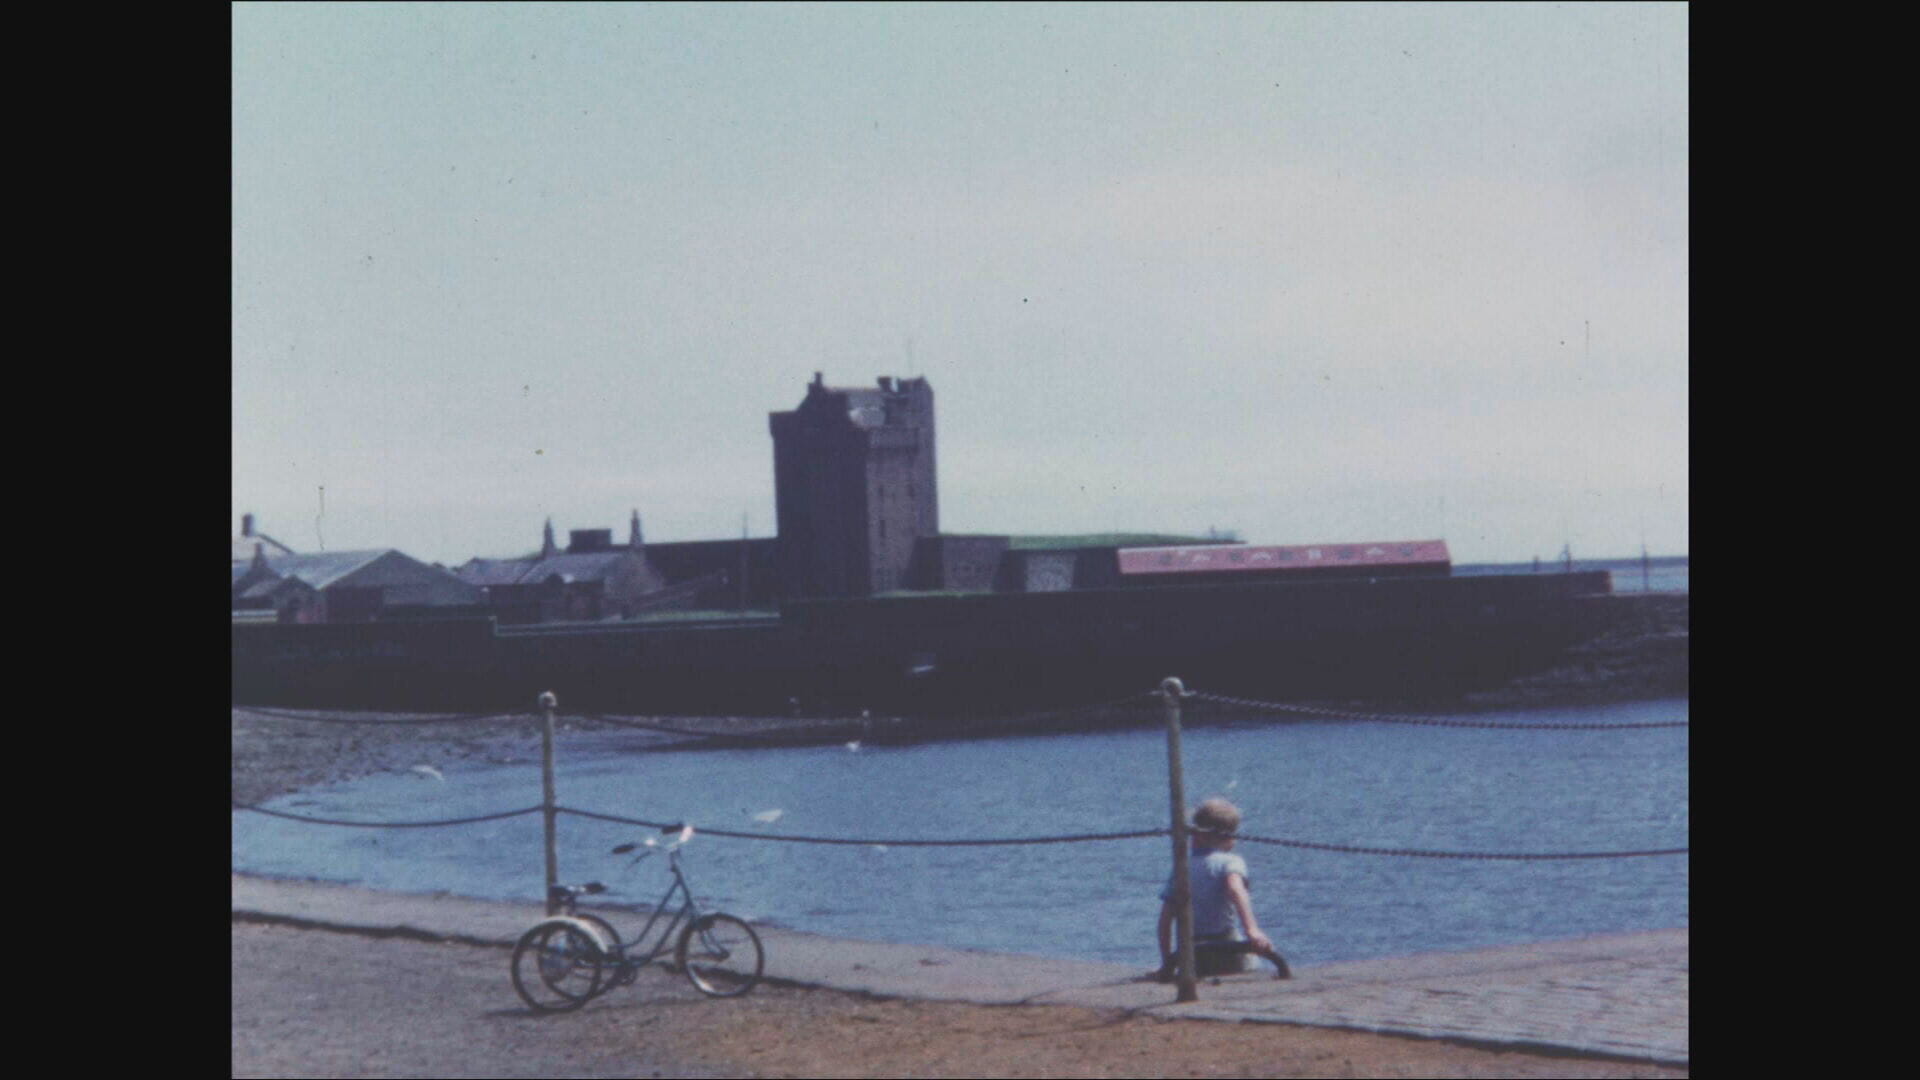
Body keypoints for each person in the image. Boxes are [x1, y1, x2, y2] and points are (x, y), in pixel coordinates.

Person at [1152, 797, 1290, 980]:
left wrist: (1167, 962)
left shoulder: (1181, 868)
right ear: (1231, 838)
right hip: (1228, 949)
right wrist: (1252, 930)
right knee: (1255, 962)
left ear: (1195, 834)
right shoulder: (1231, 862)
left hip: (1194, 955)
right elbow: (1235, 890)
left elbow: (1165, 920)